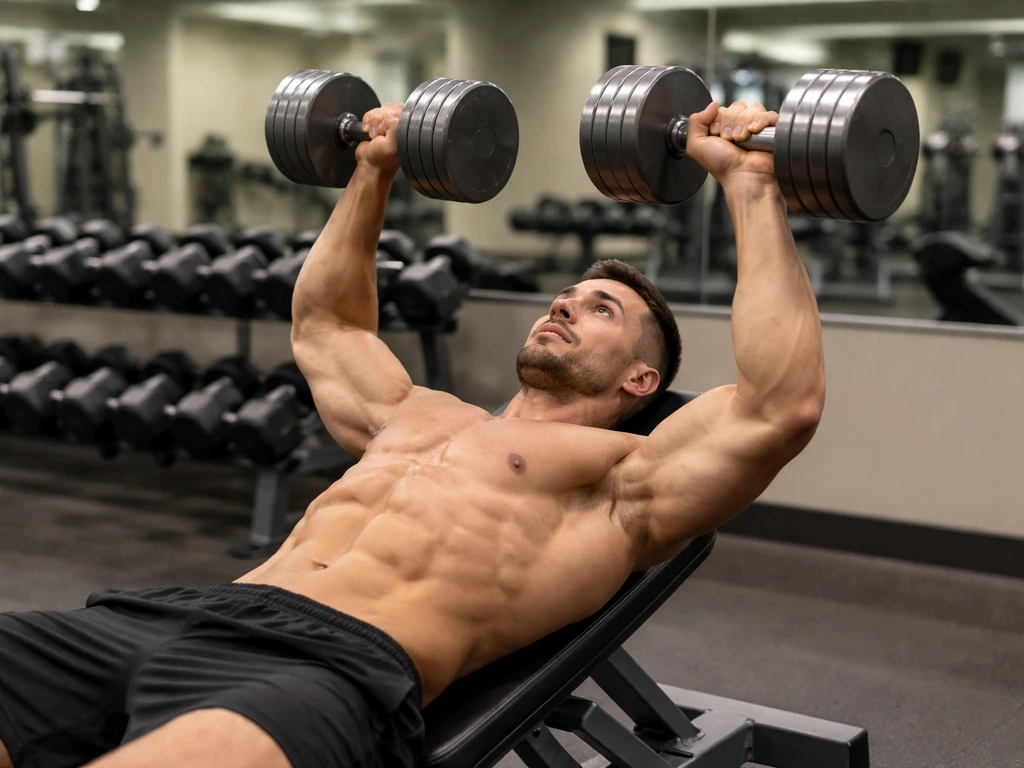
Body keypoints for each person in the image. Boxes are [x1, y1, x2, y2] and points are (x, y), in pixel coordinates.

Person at [0, 98, 824, 768]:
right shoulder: (417, 413)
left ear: (642, 380)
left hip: (328, 673)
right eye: (564, 295)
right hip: (190, 614)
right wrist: (371, 169)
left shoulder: (622, 479)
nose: (563, 303)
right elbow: (325, 325)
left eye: (600, 308)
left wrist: (750, 185)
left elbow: (778, 405)